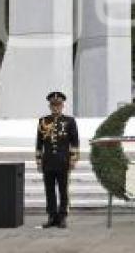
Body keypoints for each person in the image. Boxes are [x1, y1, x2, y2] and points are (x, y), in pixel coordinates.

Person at [36, 91, 79, 229]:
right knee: (49, 190)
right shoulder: (43, 121)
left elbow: (75, 142)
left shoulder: (69, 121)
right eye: (53, 105)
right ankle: (51, 216)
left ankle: (62, 216)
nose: (56, 108)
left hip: (63, 161)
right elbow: (39, 143)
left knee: (63, 190)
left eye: (58, 105)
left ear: (62, 106)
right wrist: (38, 160)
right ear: (50, 106)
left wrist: (73, 159)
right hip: (48, 161)